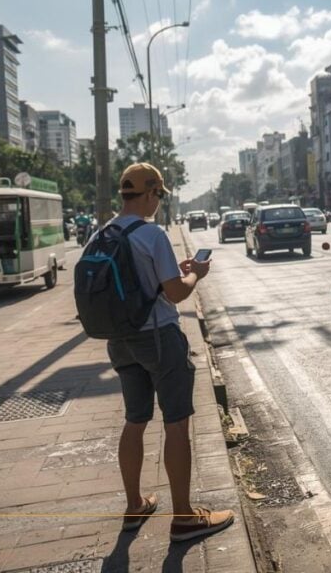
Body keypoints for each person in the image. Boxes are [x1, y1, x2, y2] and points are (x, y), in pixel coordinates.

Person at [100, 163, 234, 542]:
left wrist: (175, 272)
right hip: (157, 336)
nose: (158, 202)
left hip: (120, 339)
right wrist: (197, 273)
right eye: (158, 195)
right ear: (151, 194)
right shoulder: (151, 233)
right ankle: (185, 517)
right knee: (176, 422)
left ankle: (134, 504)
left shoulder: (104, 232)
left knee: (135, 420)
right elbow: (176, 293)